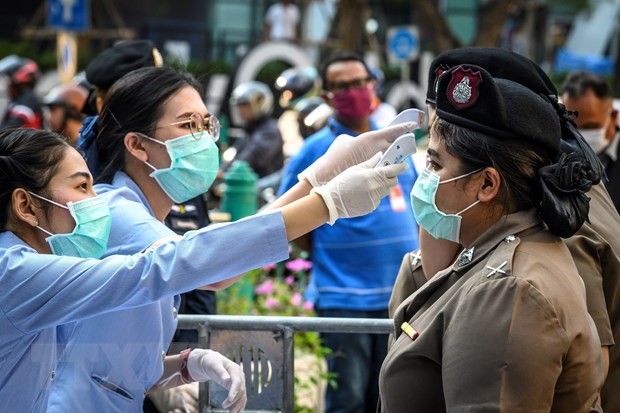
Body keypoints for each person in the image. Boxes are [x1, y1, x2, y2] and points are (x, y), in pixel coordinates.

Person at [45, 65, 415, 412]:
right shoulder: (116, 209)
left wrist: (186, 366)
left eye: (208, 124)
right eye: (188, 125)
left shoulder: (144, 213)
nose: (204, 139)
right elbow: (209, 267)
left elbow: (111, 364)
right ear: (138, 146)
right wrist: (325, 200)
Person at [388, 46, 620, 413]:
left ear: (487, 184)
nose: (425, 178)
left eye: (434, 162)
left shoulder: (510, 287)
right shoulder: (507, 242)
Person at [278, 51, 419, 413]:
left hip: (400, 300)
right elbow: (286, 221)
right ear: (326, 96)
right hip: (344, 299)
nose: (354, 91)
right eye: (342, 86)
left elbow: (419, 211)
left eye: (360, 82)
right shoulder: (316, 151)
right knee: (349, 400)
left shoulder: (396, 143)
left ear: (373, 85)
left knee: (390, 399)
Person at [561, 70, 620, 212]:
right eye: (571, 126)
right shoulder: (557, 156)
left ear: (613, 116)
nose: (579, 136)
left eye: (590, 127)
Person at [226, 80, 284, 178]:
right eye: (239, 105)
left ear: (260, 103)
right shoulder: (249, 129)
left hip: (265, 188)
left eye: (245, 104)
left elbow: (252, 158)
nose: (241, 110)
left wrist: (225, 172)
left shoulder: (270, 130)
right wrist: (222, 170)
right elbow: (237, 154)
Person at [0, 55, 44, 129]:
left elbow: (12, 127)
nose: (6, 83)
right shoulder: (18, 99)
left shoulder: (28, 98)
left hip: (31, 140)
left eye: (7, 77)